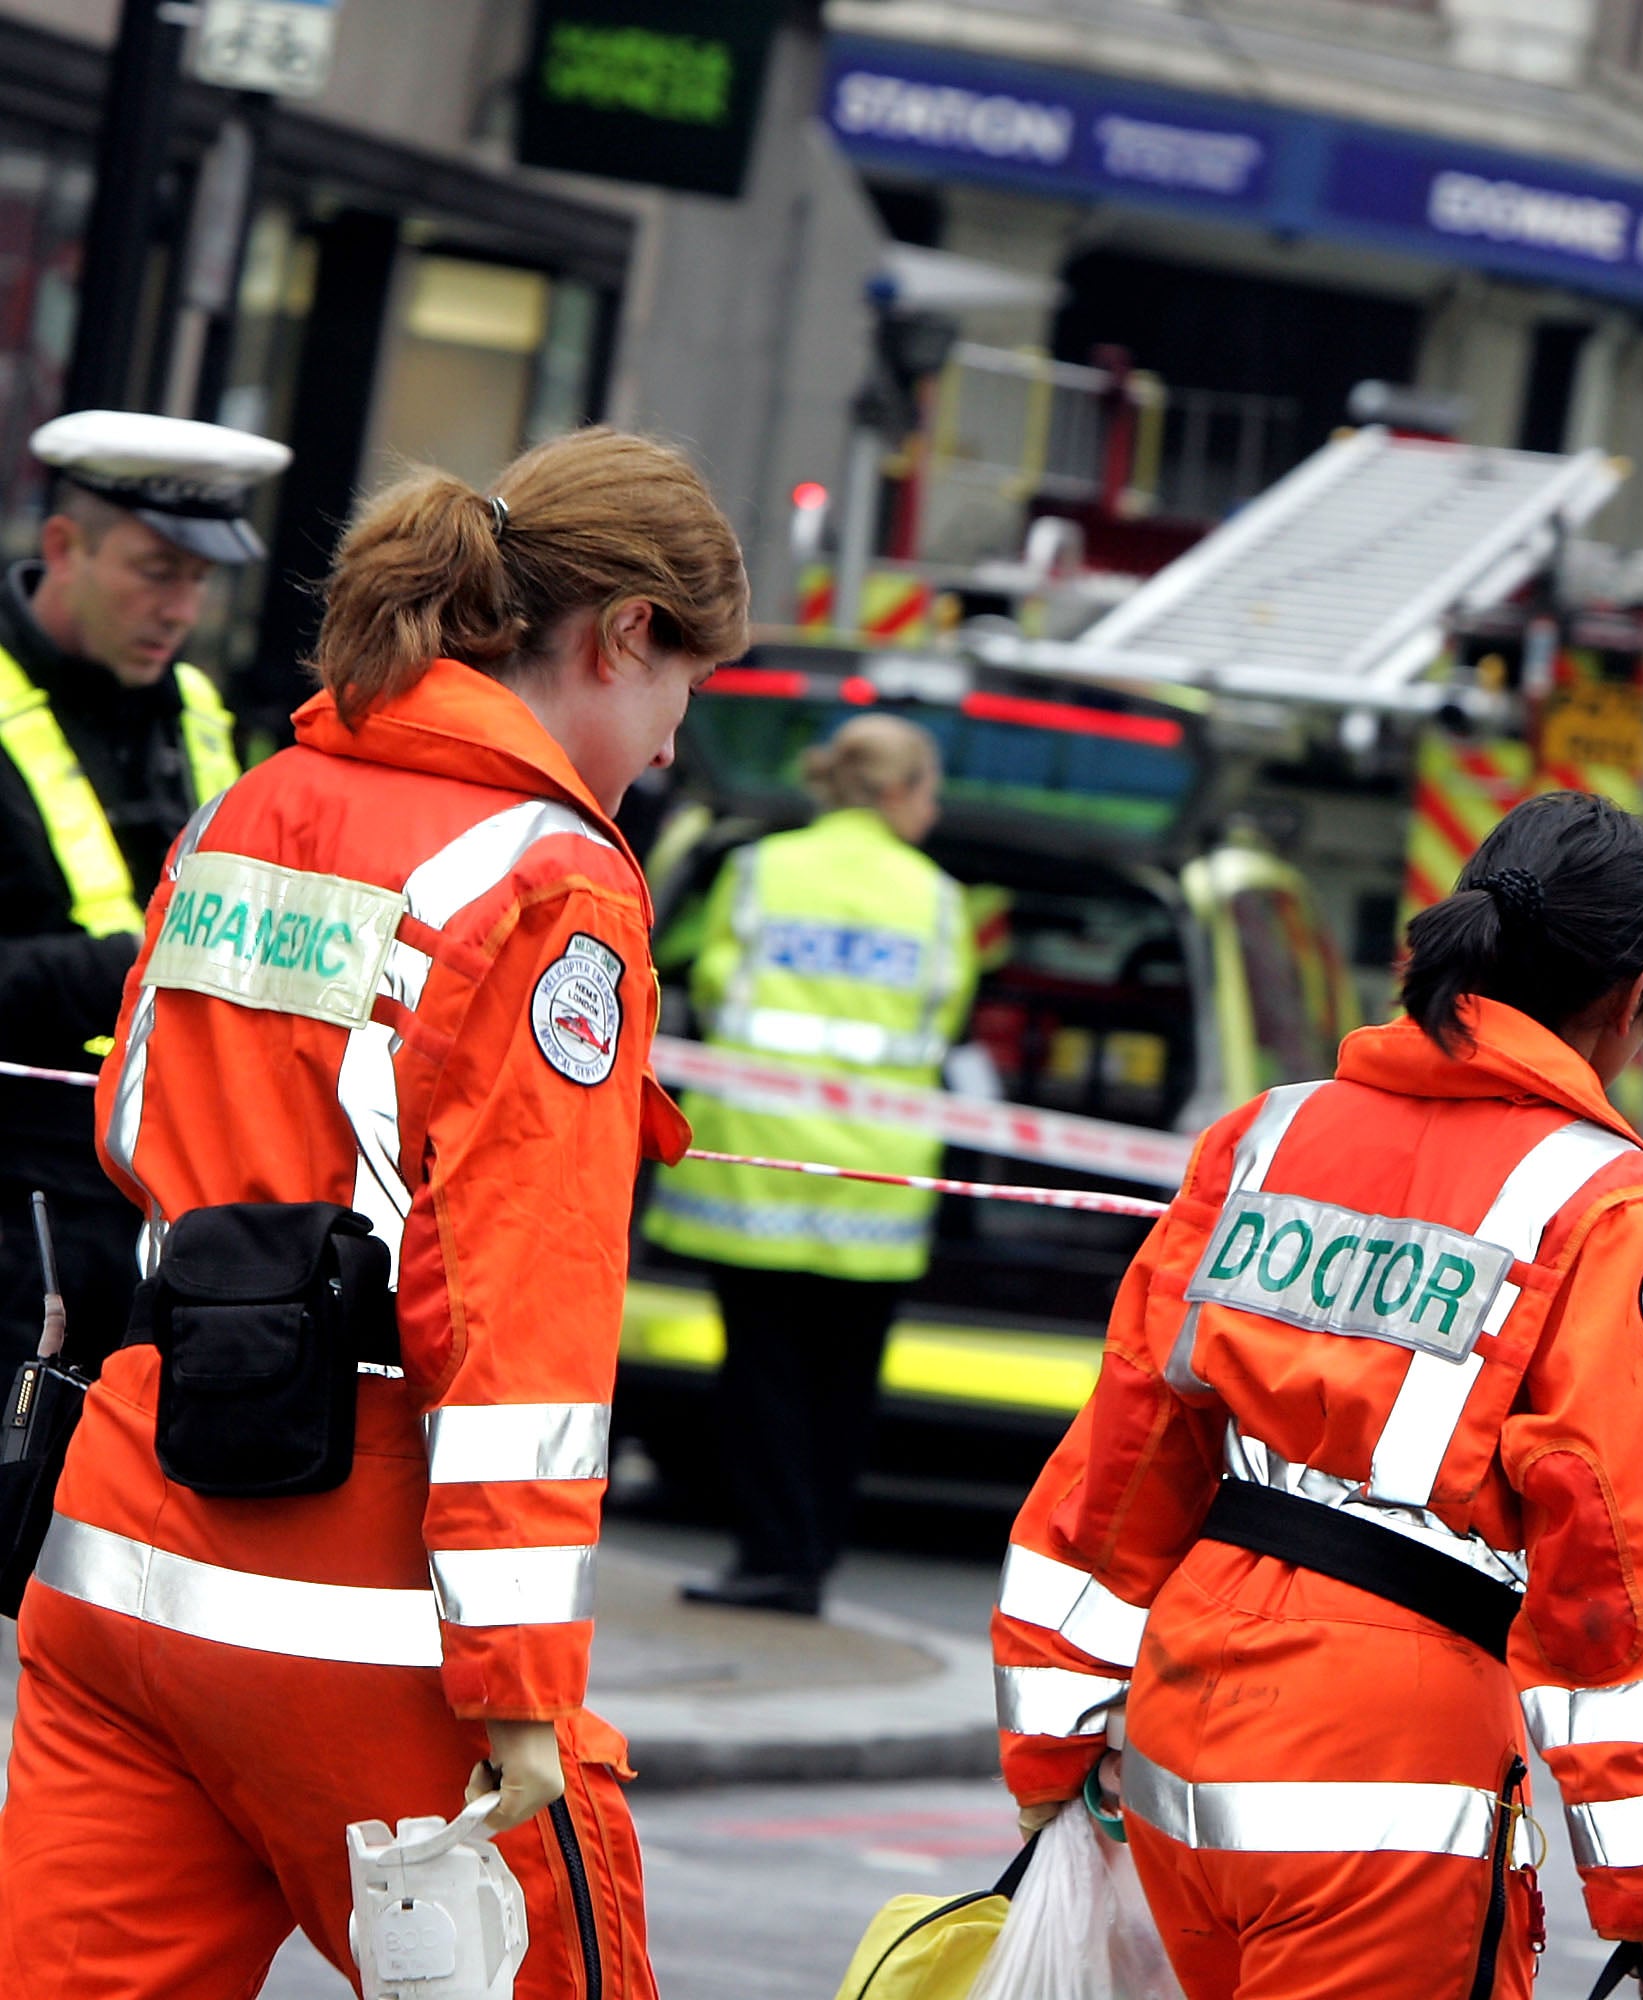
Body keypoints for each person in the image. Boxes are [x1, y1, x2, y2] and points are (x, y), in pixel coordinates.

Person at [0, 428, 746, 1998]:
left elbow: (134, 1119)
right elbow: (520, 1316)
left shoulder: (248, 806)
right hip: (358, 1595)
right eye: (687, 682)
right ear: (620, 634)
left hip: (121, 1549)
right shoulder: (550, 883)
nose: (674, 742)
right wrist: (522, 1680)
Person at [993, 790, 1643, 1999]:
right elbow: (1618, 1546)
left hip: (1189, 1723)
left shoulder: (1265, 1137)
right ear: (1636, 995)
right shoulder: (1611, 1206)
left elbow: (1129, 1446)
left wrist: (1054, 1728)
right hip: (1390, 1763)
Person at [645, 712, 969, 1616]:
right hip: (875, 1181)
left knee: (762, 1377)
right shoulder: (939, 899)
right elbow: (940, 1022)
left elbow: (709, 987)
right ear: (900, 793)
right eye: (931, 794)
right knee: (844, 1386)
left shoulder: (758, 871)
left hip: (757, 1165)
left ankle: (770, 1557)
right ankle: (812, 1557)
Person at [0, 411, 288, 1371]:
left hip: (151, 1201)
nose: (181, 610)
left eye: (201, 580)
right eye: (156, 571)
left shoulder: (200, 715)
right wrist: (127, 970)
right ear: (61, 546)